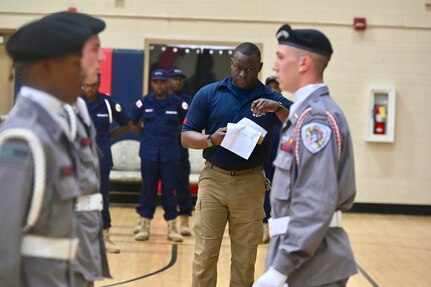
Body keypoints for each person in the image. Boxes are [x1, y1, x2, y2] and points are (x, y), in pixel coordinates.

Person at [253, 24, 357, 287]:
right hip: (300, 254)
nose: (275, 66)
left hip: (311, 262)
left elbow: (315, 200)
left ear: (304, 63)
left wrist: (281, 267)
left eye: (280, 57)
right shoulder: (303, 113)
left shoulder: (316, 119)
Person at [181, 42, 292, 287]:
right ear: (231, 64)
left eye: (250, 69)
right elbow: (186, 135)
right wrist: (211, 139)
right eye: (239, 68)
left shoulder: (270, 98)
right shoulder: (209, 93)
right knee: (204, 254)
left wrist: (278, 108)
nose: (243, 74)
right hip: (213, 180)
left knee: (245, 258)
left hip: (251, 182)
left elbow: (299, 123)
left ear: (260, 67)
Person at [0, 11, 94, 286]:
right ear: (46, 68)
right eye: (76, 63)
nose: (83, 72)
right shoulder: (23, 137)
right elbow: (3, 240)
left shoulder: (53, 127)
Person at [131, 68, 188, 243]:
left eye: (162, 82)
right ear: (151, 83)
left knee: (169, 191)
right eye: (156, 82)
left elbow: (188, 124)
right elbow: (132, 123)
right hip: (149, 153)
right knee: (148, 189)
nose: (159, 85)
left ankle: (172, 227)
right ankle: (145, 226)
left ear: (167, 83)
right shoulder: (144, 102)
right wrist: (146, 135)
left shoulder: (178, 103)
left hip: (170, 154)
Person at [81, 74, 130, 253]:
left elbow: (126, 123)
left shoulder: (108, 103)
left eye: (93, 86)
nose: (89, 89)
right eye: (86, 85)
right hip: (79, 159)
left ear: (99, 84)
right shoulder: (74, 103)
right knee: (77, 197)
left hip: (101, 159)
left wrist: (109, 136)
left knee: (102, 197)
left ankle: (105, 236)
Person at [168, 68, 194, 236]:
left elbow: (191, 124)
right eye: (174, 78)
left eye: (180, 79)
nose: (177, 82)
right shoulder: (162, 99)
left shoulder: (188, 101)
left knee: (183, 187)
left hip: (181, 151)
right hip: (164, 150)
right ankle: (171, 223)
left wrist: (178, 129)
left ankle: (185, 221)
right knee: (168, 189)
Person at [261, 76, 283, 244]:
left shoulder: (288, 108)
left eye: (277, 86)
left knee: (281, 195)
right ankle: (264, 229)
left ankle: (280, 231)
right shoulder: (261, 109)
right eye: (271, 87)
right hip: (265, 160)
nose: (274, 89)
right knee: (264, 195)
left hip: (283, 162)